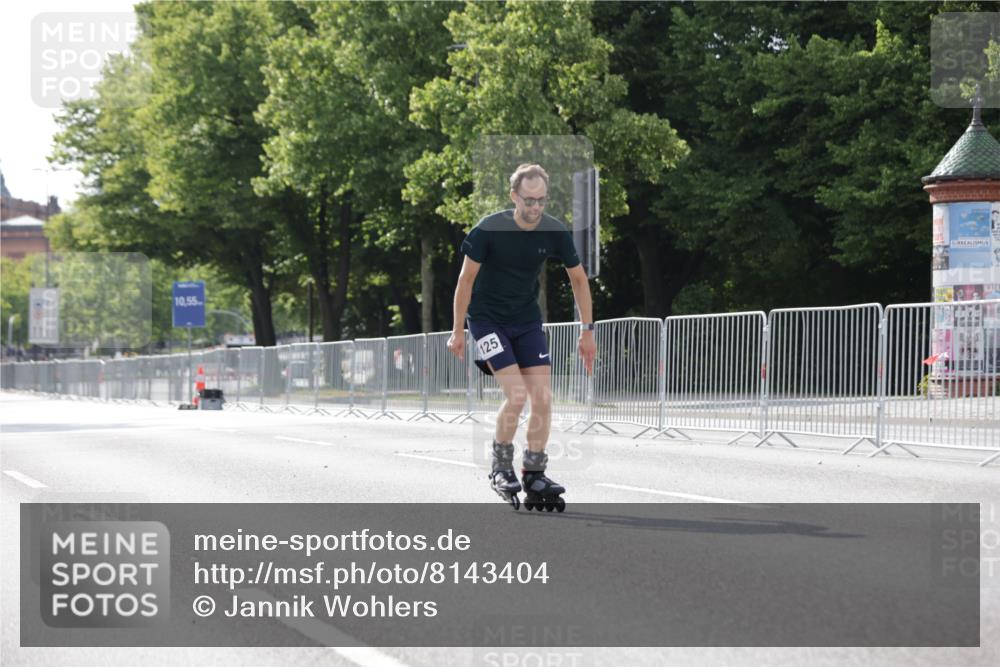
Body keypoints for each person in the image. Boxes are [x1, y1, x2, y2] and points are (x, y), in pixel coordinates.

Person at [447, 164, 597, 509]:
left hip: (527, 320)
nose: (535, 208)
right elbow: (465, 281)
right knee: (516, 395)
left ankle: (534, 472)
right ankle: (500, 465)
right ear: (514, 196)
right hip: (486, 321)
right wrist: (458, 330)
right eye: (529, 200)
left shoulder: (554, 231)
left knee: (543, 398)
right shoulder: (488, 230)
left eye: (541, 201)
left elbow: (578, 279)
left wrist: (587, 331)